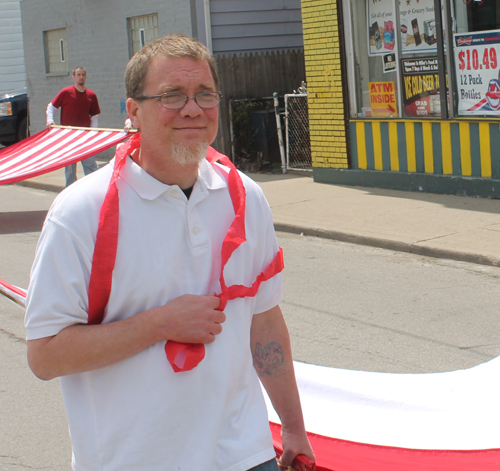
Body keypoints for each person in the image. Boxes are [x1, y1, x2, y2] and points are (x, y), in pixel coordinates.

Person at [26, 34, 314, 471]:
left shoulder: (245, 197)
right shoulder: (81, 212)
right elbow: (45, 355)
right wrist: (160, 323)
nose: (193, 108)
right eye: (172, 96)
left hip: (246, 455)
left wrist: (293, 427)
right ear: (134, 112)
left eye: (204, 94)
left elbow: (265, 320)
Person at [46, 66, 101, 186]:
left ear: (85, 77)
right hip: (68, 137)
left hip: (85, 137)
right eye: (78, 74)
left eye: (83, 74)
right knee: (70, 169)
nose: (81, 77)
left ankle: (92, 190)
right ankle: (70, 192)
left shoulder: (91, 95)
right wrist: (50, 120)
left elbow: (94, 117)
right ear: (73, 77)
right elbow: (51, 107)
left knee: (90, 166)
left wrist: (93, 135)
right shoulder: (66, 92)